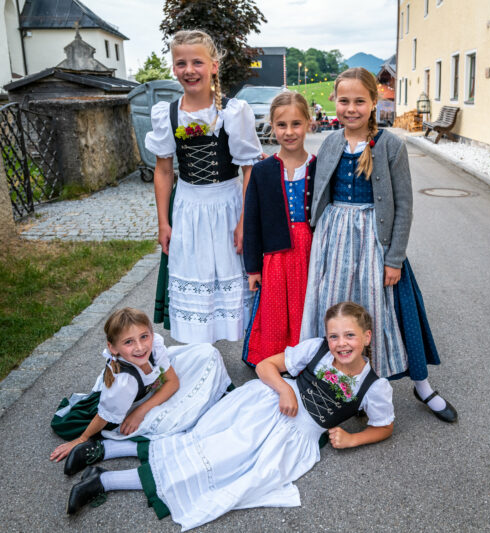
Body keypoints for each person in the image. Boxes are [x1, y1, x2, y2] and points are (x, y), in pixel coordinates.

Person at [65, 302, 394, 529]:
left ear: (366, 337)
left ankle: (103, 480)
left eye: (350, 335)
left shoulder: (375, 387)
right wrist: (284, 389)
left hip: (294, 435)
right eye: (334, 336)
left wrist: (353, 438)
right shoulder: (316, 348)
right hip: (266, 404)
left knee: (226, 467)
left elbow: (385, 426)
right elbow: (266, 366)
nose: (340, 343)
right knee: (201, 440)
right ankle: (104, 450)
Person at [301, 67, 457, 423]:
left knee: (388, 313)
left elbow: (403, 205)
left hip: (374, 240)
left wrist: (395, 258)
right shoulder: (330, 142)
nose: (350, 108)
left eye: (359, 101)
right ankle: (338, 384)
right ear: (335, 102)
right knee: (334, 310)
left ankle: (421, 386)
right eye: (344, 101)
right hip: (334, 240)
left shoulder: (390, 145)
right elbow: (317, 192)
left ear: (374, 102)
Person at [146, 29, 262, 344]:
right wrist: (163, 222)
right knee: (194, 271)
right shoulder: (168, 114)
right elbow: (163, 170)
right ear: (173, 68)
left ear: (213, 66)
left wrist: (244, 221)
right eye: (181, 63)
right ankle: (199, 351)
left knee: (228, 272)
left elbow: (249, 168)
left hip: (227, 204)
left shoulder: (232, 112)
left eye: (197, 62)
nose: (189, 70)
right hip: (188, 206)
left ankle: (242, 348)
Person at [49, 307, 230, 474]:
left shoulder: (154, 346)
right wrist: (82, 439)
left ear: (151, 333)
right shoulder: (123, 383)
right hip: (121, 409)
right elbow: (103, 417)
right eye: (129, 342)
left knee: (207, 353)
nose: (140, 347)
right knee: (173, 421)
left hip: (142, 399)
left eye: (144, 336)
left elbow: (173, 382)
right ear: (113, 348)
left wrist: (141, 411)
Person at [242, 92, 316, 366]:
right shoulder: (262, 170)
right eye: (282, 125)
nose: (289, 132)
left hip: (311, 254)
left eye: (296, 124)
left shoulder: (319, 166)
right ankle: (274, 361)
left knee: (305, 307)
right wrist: (253, 268)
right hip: (276, 256)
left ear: (308, 123)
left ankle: (305, 358)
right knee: (275, 309)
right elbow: (251, 221)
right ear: (272, 126)